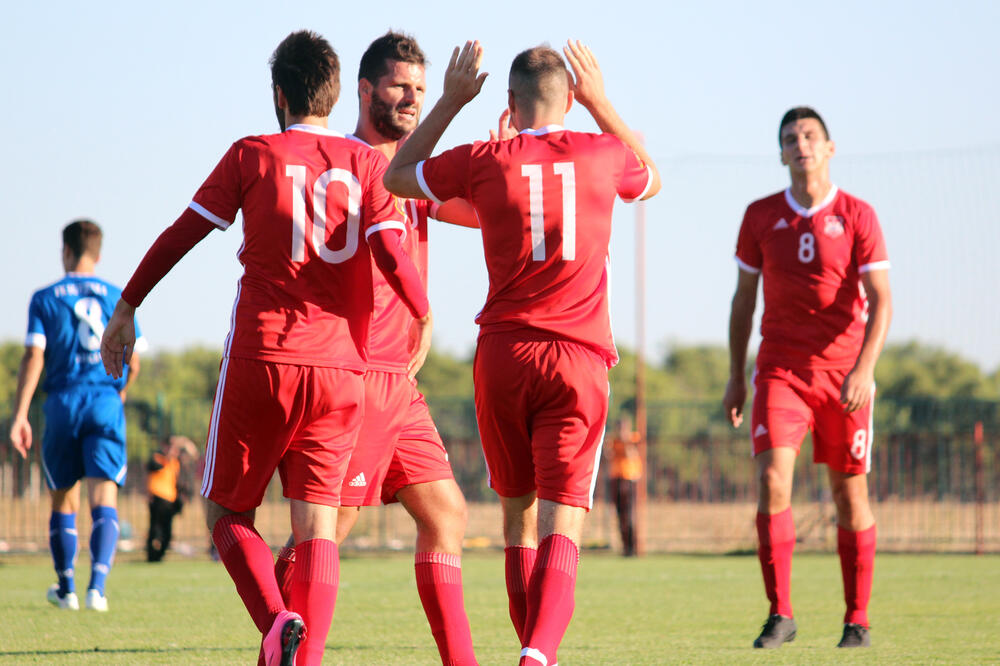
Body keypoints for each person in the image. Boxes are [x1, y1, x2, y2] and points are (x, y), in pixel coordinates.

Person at [100, 30, 431, 666]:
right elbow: (391, 249)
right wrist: (422, 310)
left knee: (225, 512)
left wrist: (129, 304)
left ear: (279, 95)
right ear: (337, 94)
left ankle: (277, 621)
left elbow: (183, 233)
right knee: (318, 531)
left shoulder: (253, 153)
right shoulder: (368, 165)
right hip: (341, 371)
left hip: (264, 357)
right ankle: (304, 658)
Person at [385, 40, 661, 666]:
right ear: (571, 97)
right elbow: (653, 177)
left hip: (505, 356)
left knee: (518, 522)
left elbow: (397, 176)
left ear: (508, 102)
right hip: (578, 358)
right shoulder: (603, 152)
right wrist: (601, 102)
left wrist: (452, 101)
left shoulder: (487, 160)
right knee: (564, 524)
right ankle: (537, 653)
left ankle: (534, 650)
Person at [270, 31, 478, 666]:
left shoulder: (409, 171)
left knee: (446, 514)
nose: (412, 98)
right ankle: (282, 631)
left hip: (399, 384)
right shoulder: (353, 164)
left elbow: (469, 209)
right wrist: (451, 102)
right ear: (363, 90)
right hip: (359, 377)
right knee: (326, 536)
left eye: (420, 88)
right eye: (400, 87)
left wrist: (503, 168)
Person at [722, 107, 892, 649]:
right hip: (780, 371)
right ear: (781, 152)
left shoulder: (858, 214)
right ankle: (781, 614)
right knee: (773, 481)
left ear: (829, 147)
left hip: (845, 377)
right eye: (791, 138)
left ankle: (857, 619)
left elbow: (883, 300)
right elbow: (743, 301)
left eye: (810, 136)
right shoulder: (759, 215)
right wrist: (735, 377)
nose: (802, 145)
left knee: (849, 498)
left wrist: (865, 370)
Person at [10, 219, 146, 613]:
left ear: (66, 251)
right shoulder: (116, 296)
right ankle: (97, 589)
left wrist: (21, 414)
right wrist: (117, 396)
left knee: (63, 499)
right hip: (104, 398)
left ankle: (66, 588)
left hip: (63, 402)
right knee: (104, 497)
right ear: (98, 254)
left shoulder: (44, 297)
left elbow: (34, 354)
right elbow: (132, 363)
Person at [146, 435, 198, 562]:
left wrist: (184, 441)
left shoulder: (176, 462)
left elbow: (193, 455)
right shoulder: (157, 457)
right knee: (155, 530)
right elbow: (152, 467)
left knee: (167, 532)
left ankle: (160, 555)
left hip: (170, 500)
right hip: (157, 498)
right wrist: (168, 456)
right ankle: (151, 555)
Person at [607, 418, 642, 557]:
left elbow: (632, 455)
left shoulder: (633, 438)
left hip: (629, 479)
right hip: (616, 478)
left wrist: (625, 442)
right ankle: (624, 547)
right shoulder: (614, 441)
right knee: (619, 515)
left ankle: (633, 547)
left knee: (630, 515)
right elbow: (608, 456)